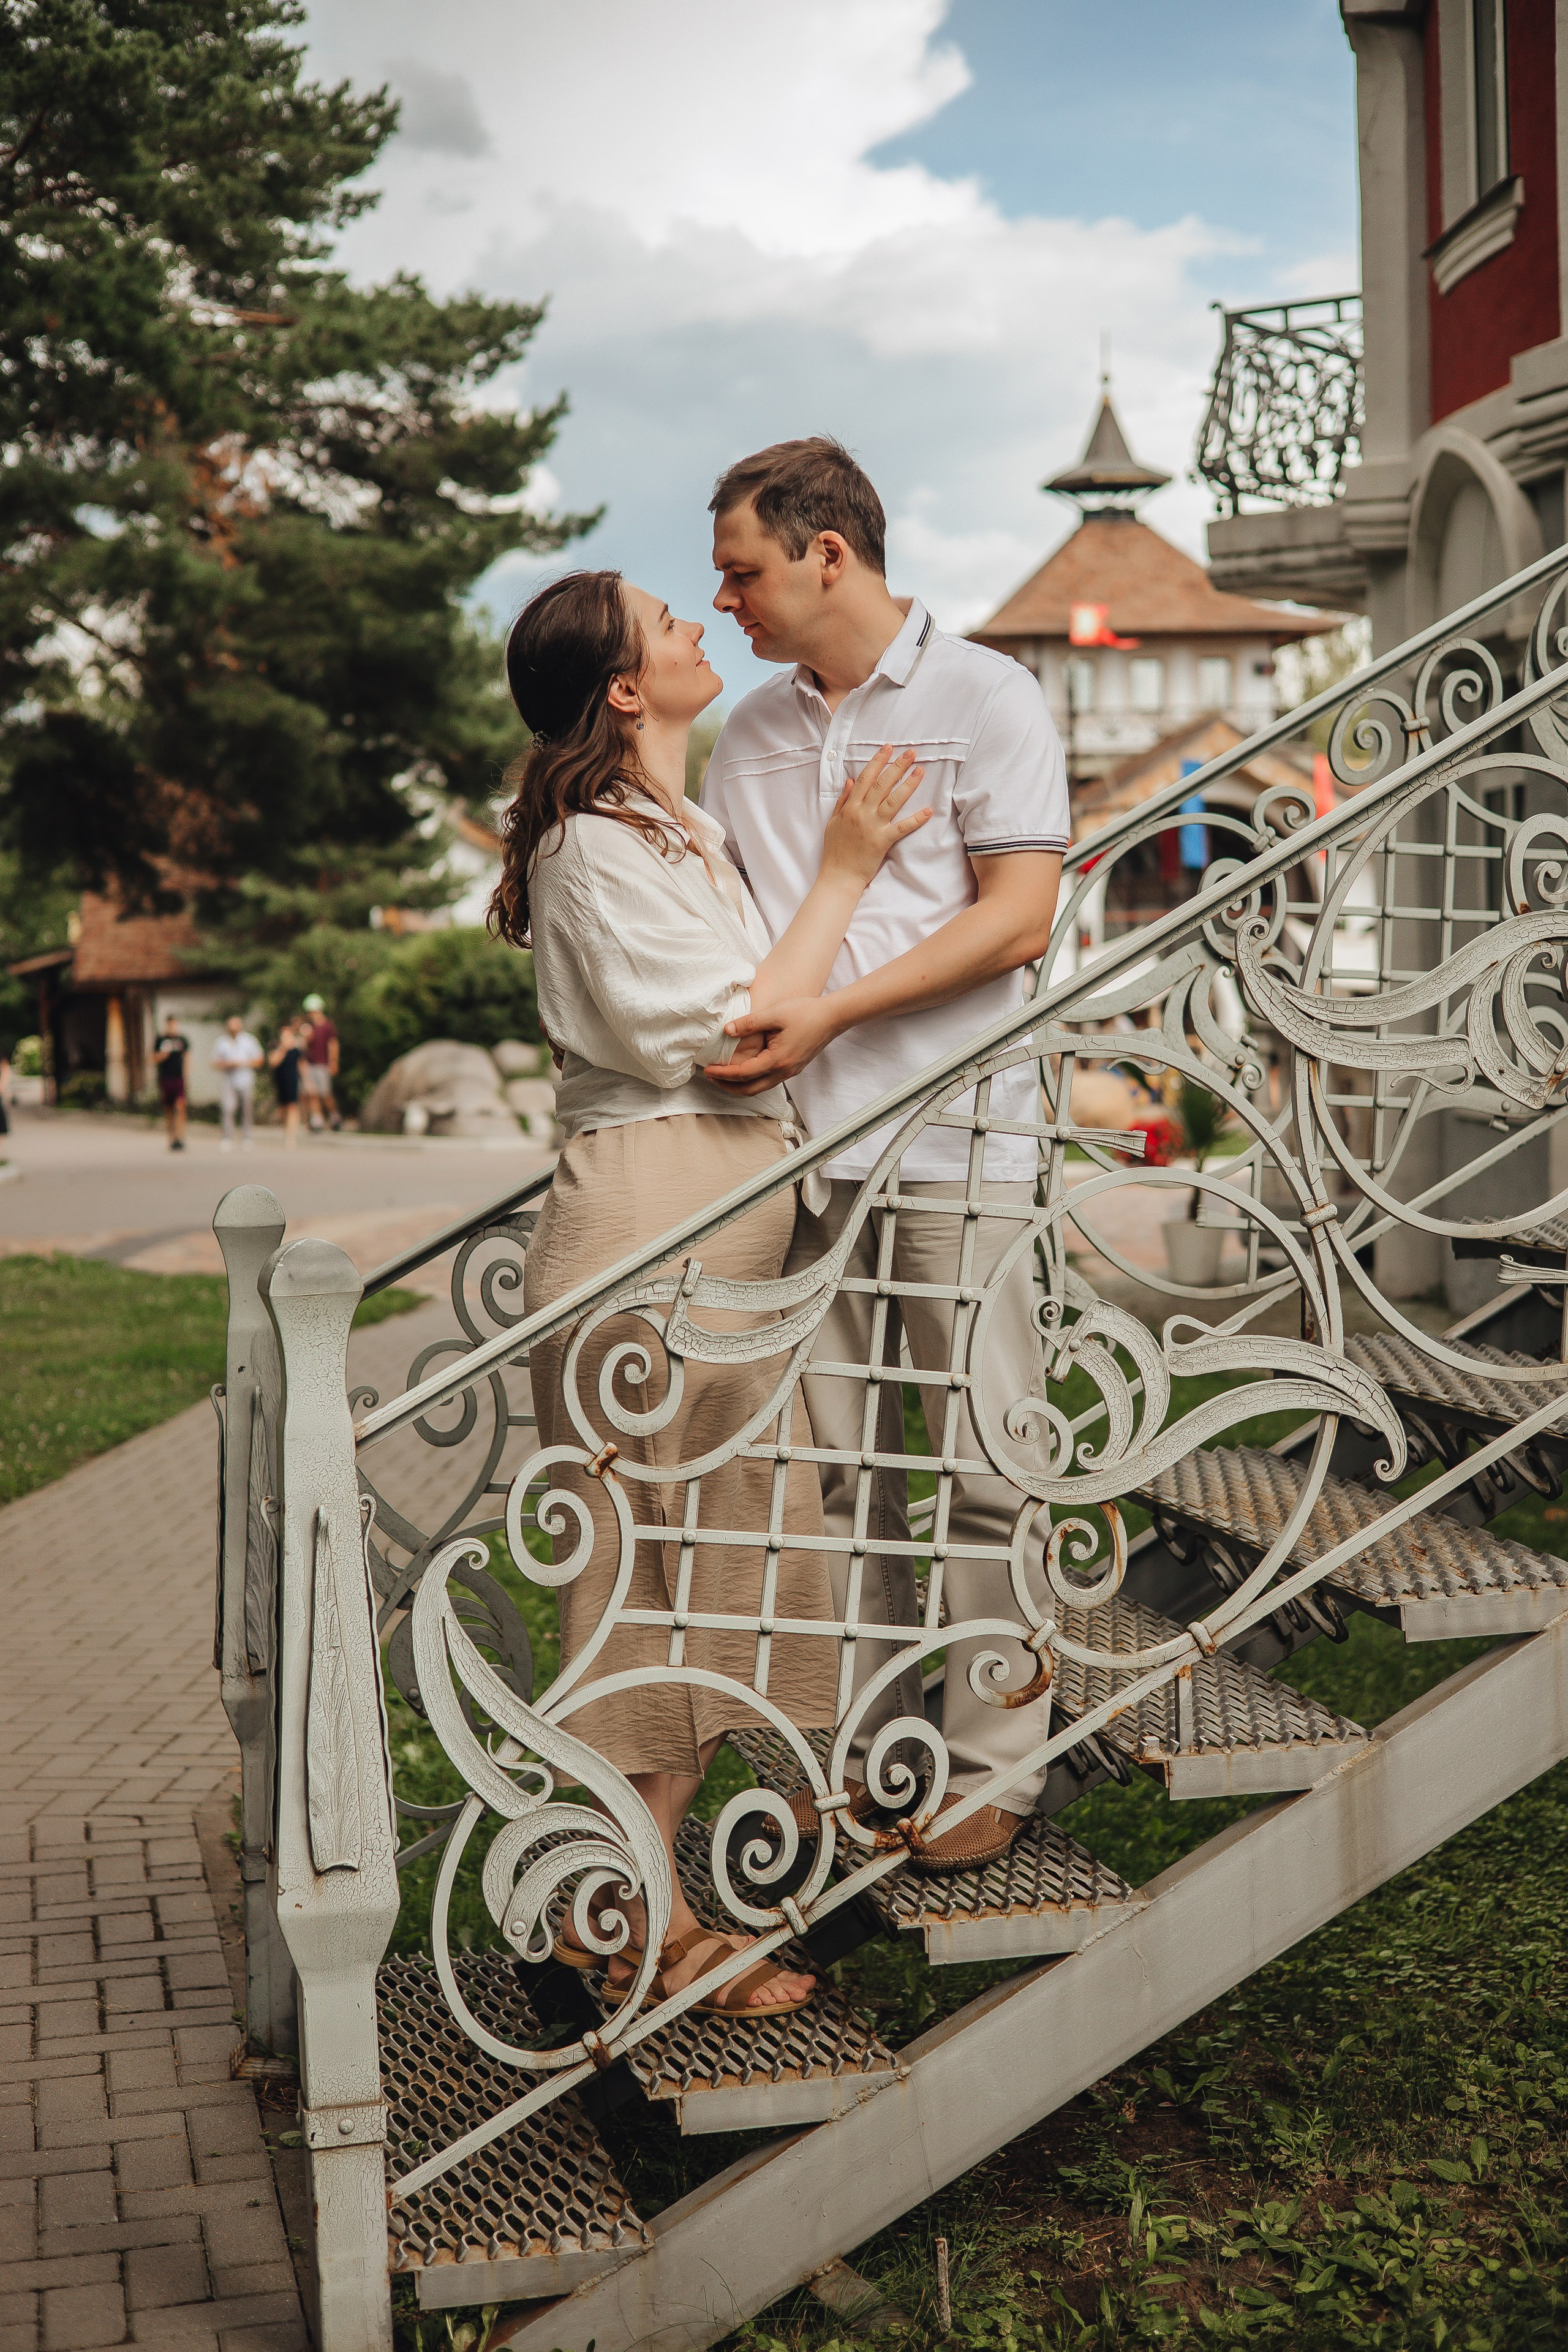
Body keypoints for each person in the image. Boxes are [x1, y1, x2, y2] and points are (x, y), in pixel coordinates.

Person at [492, 567, 929, 2016]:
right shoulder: (589, 848)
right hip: (652, 1223)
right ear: (623, 687)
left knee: (698, 1575)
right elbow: (747, 1036)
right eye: (666, 622)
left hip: (711, 1216)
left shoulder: (668, 829)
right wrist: (849, 869)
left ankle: (627, 1905)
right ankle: (632, 1921)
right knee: (644, 1586)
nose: (692, 628)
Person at [701, 437, 1069, 1876]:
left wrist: (835, 1013)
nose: (722, 596)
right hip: (806, 1159)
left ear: (825, 554)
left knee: (984, 1462)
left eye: (740, 569)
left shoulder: (986, 694)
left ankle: (994, 1765)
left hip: (961, 1141)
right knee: (847, 1476)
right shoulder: (747, 733)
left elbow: (1017, 916)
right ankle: (872, 1755)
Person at [211, 1015, 263, 1150]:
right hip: (228, 1080)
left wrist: (241, 1063)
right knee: (228, 1109)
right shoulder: (222, 1042)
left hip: (245, 1079)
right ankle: (227, 1137)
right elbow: (214, 1062)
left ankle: (247, 1137)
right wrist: (227, 1064)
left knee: (246, 1109)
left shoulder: (249, 1040)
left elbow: (259, 1060)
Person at [300, 994, 340, 1131]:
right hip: (310, 1064)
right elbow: (304, 1048)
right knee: (313, 1093)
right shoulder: (308, 1028)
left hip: (323, 1064)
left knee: (325, 1094)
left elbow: (333, 1045)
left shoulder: (328, 1026)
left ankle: (334, 1116)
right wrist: (306, 1038)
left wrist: (333, 1062)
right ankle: (317, 1119)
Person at [153, 1014, 190, 1152]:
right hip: (166, 1078)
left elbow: (187, 1059)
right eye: (171, 1024)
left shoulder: (183, 1040)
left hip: (179, 1079)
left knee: (180, 1107)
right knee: (168, 1110)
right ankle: (171, 1139)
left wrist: (186, 1077)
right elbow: (152, 1058)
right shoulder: (161, 1040)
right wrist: (163, 1055)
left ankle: (180, 1137)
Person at [268, 1021, 304, 1150]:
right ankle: (285, 1131)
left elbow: (302, 1065)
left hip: (293, 1079)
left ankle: (292, 1136)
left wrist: (307, 1081)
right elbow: (273, 1063)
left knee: (292, 1106)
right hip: (280, 1080)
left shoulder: (297, 1049)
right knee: (283, 1108)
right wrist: (283, 1048)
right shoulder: (276, 1046)